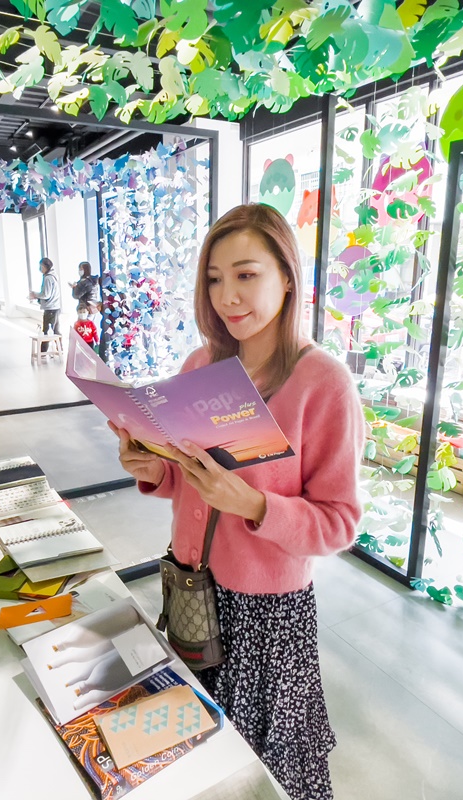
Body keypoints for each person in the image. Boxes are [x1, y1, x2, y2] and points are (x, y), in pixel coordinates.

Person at [110, 204, 362, 800]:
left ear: (288, 277)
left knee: (262, 770)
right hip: (190, 584)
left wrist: (255, 506)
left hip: (265, 616)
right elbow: (190, 479)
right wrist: (155, 469)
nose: (228, 296)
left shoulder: (322, 382)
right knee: (195, 752)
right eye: (215, 279)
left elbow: (340, 522)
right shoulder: (202, 364)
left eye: (247, 274)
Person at [28, 257, 60, 352]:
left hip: (50, 307)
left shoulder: (48, 278)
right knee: (55, 330)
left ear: (45, 266)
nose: (40, 269)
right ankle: (60, 348)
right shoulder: (54, 276)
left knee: (46, 331)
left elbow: (46, 294)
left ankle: (42, 352)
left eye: (41, 266)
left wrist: (35, 295)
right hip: (55, 306)